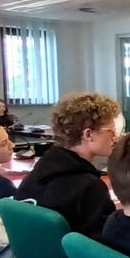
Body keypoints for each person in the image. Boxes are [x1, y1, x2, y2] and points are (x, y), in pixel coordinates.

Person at [15, 92, 119, 239]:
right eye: (111, 131)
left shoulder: (36, 174)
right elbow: (106, 244)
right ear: (88, 134)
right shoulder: (89, 187)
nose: (115, 137)